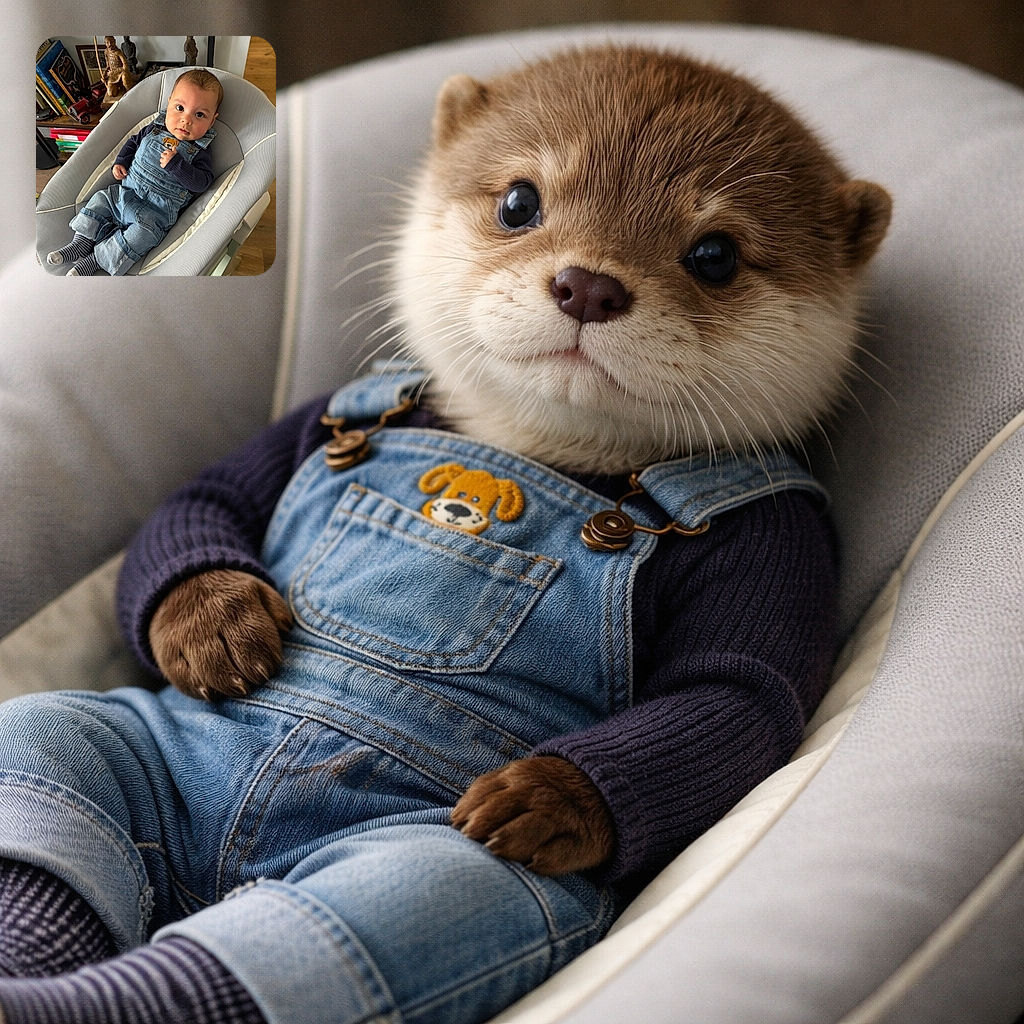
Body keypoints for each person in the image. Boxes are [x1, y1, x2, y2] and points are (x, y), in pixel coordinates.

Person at [46, 69, 221, 276]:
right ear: (169, 103)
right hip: (124, 194)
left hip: (154, 214)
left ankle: (95, 260)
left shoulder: (200, 151)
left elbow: (202, 183)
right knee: (99, 200)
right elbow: (133, 142)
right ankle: (80, 243)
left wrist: (177, 165)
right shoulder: (154, 128)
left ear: (212, 121)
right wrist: (121, 162)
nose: (186, 120)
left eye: (199, 114)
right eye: (180, 108)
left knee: (143, 236)